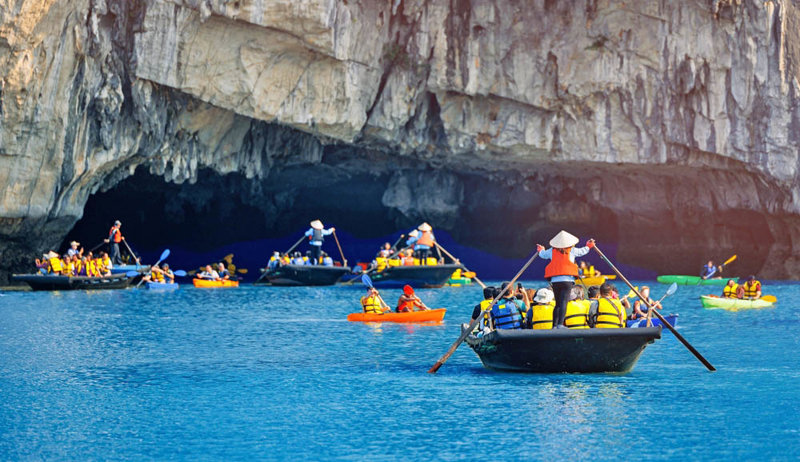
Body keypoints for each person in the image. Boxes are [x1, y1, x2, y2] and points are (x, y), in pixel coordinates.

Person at [536, 230, 595, 329]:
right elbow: (582, 251)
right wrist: (589, 245)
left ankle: (554, 325)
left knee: (558, 303)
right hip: (567, 281)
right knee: (564, 302)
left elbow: (543, 255)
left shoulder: (551, 251)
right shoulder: (572, 250)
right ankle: (560, 324)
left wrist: (540, 249)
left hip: (555, 281)